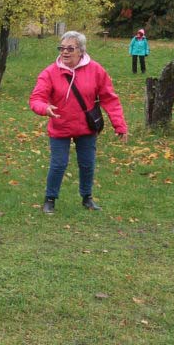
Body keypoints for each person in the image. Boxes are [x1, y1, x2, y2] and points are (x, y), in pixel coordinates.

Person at [29, 31, 128, 214]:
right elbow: (36, 98)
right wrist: (45, 108)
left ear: (81, 51)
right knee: (58, 164)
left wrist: (119, 125)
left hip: (86, 127)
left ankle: (87, 198)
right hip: (60, 126)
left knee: (87, 163)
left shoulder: (96, 70)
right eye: (62, 48)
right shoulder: (50, 73)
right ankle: (50, 199)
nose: (65, 52)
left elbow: (110, 99)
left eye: (70, 48)